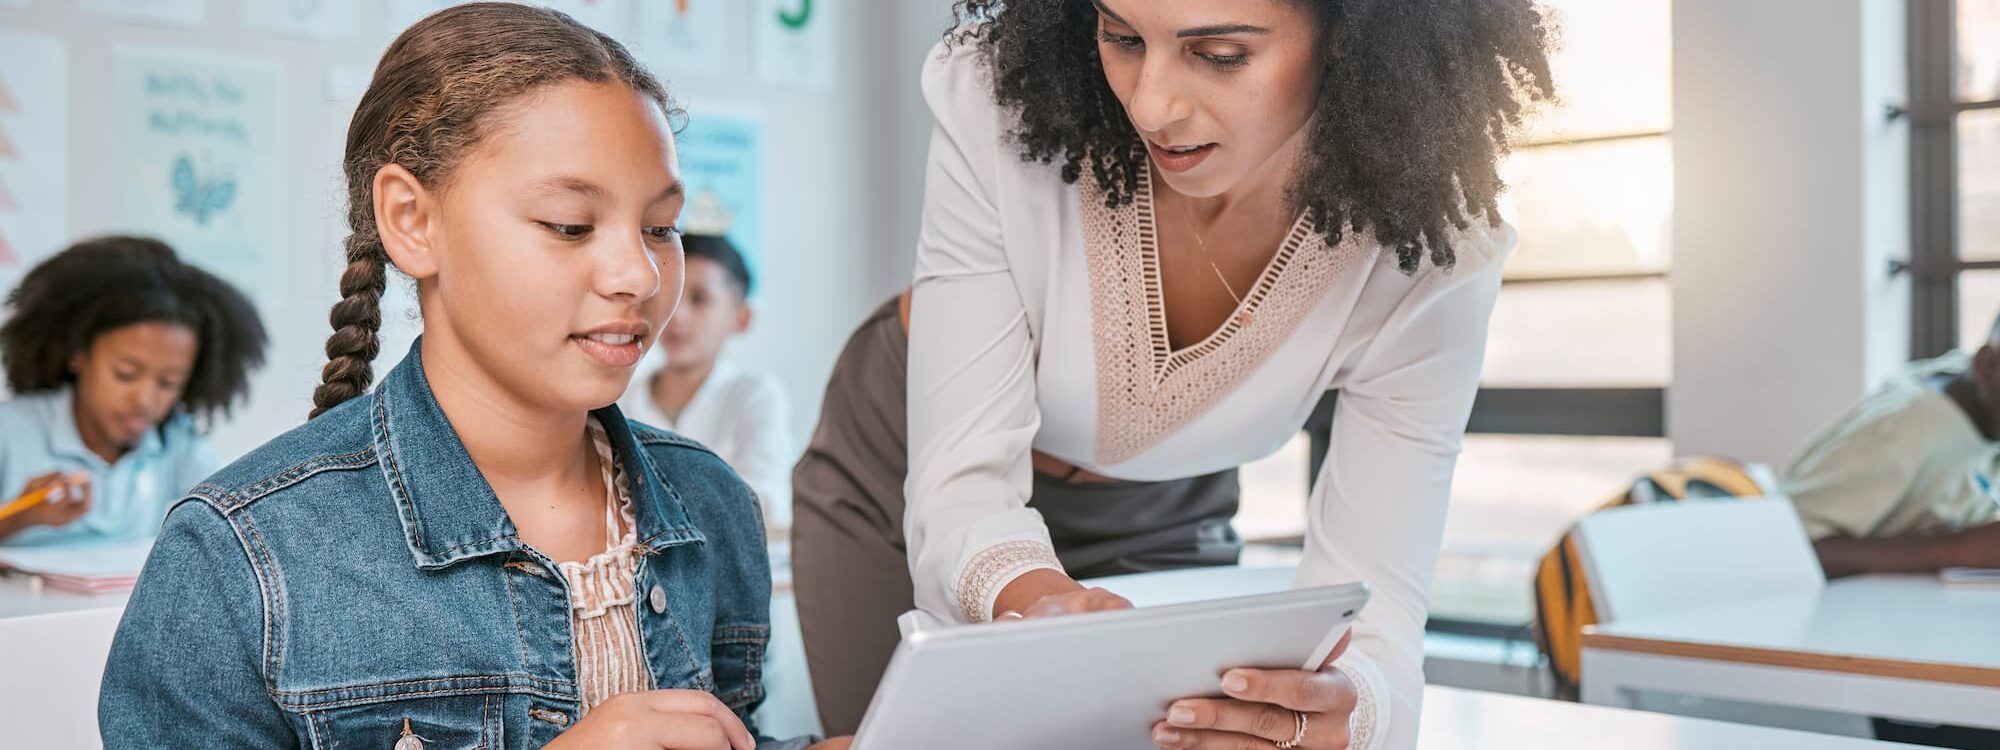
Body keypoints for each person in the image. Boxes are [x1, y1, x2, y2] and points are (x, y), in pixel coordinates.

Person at [790, 1, 1554, 747]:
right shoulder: (998, 100)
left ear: (1353, 37)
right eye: (1119, 36)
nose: (1151, 105)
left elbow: (1379, 606)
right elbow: (959, 485)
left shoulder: (1431, 253)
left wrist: (1342, 717)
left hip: (1168, 501)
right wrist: (1037, 600)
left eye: (1220, 55)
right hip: (904, 459)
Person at [98, 5, 846, 748]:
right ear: (412, 220)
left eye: (660, 228)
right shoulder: (237, 554)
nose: (638, 274)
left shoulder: (713, 505)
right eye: (570, 225)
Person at [0, 236, 266, 546]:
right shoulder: (11, 431)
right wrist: (21, 516)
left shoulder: (178, 446)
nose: (144, 400)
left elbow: (236, 528)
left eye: (168, 382)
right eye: (125, 374)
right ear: (78, 353)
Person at [1783, 315, 2000, 580]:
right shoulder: (1903, 428)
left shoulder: (1980, 402)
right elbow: (1782, 546)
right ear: (1986, 365)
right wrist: (1952, 550)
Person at [621, 234, 793, 528]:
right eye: (671, 295)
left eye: (699, 299)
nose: (678, 316)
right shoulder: (621, 398)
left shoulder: (755, 395)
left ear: (742, 317)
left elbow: (765, 502)